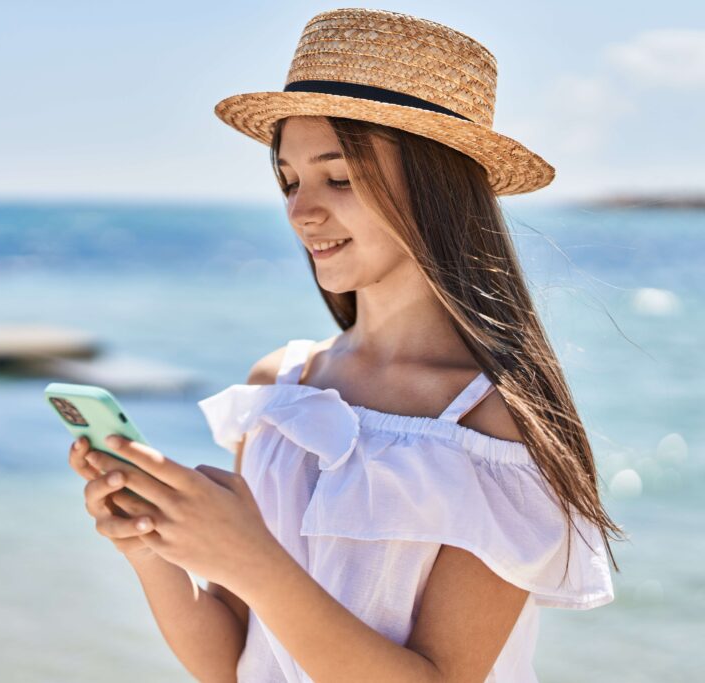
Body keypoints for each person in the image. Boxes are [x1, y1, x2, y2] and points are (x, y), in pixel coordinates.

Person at [67, 8, 625, 682]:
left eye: (339, 178)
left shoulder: (494, 425)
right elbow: (232, 662)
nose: (303, 211)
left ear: (435, 191)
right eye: (289, 179)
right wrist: (155, 548)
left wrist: (248, 558)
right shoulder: (280, 387)